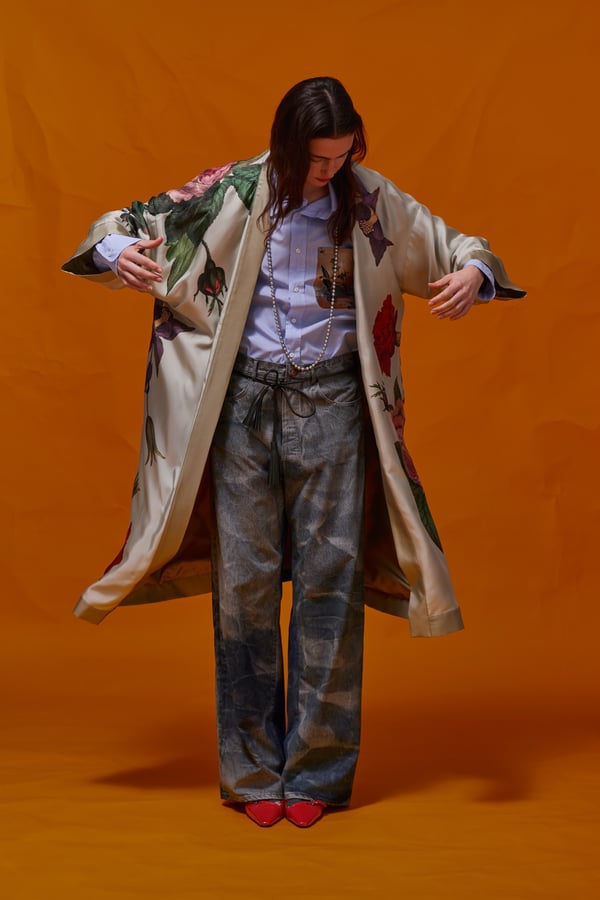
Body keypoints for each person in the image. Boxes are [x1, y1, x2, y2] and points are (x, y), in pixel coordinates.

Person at [62, 76, 524, 828]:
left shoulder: (368, 199)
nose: (328, 172)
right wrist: (119, 254)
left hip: (335, 404)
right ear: (283, 145)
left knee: (327, 585)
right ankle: (251, 774)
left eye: (341, 157)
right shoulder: (230, 192)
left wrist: (474, 273)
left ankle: (317, 773)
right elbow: (122, 223)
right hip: (243, 405)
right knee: (243, 587)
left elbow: (461, 247)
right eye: (315, 159)